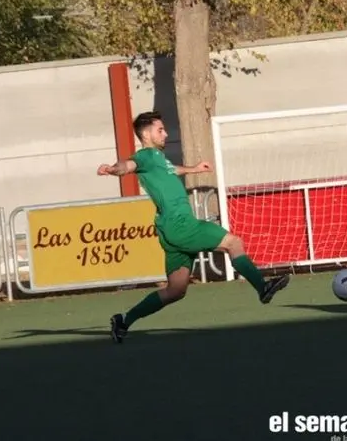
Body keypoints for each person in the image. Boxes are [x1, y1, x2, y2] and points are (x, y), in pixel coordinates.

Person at [97, 111, 290, 342]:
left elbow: (171, 169)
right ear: (146, 135)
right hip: (181, 225)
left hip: (169, 230)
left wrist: (194, 169)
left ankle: (124, 320)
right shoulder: (145, 156)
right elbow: (127, 165)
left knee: (175, 290)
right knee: (233, 243)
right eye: (160, 130)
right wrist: (112, 169)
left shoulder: (158, 158)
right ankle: (262, 287)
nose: (165, 134)